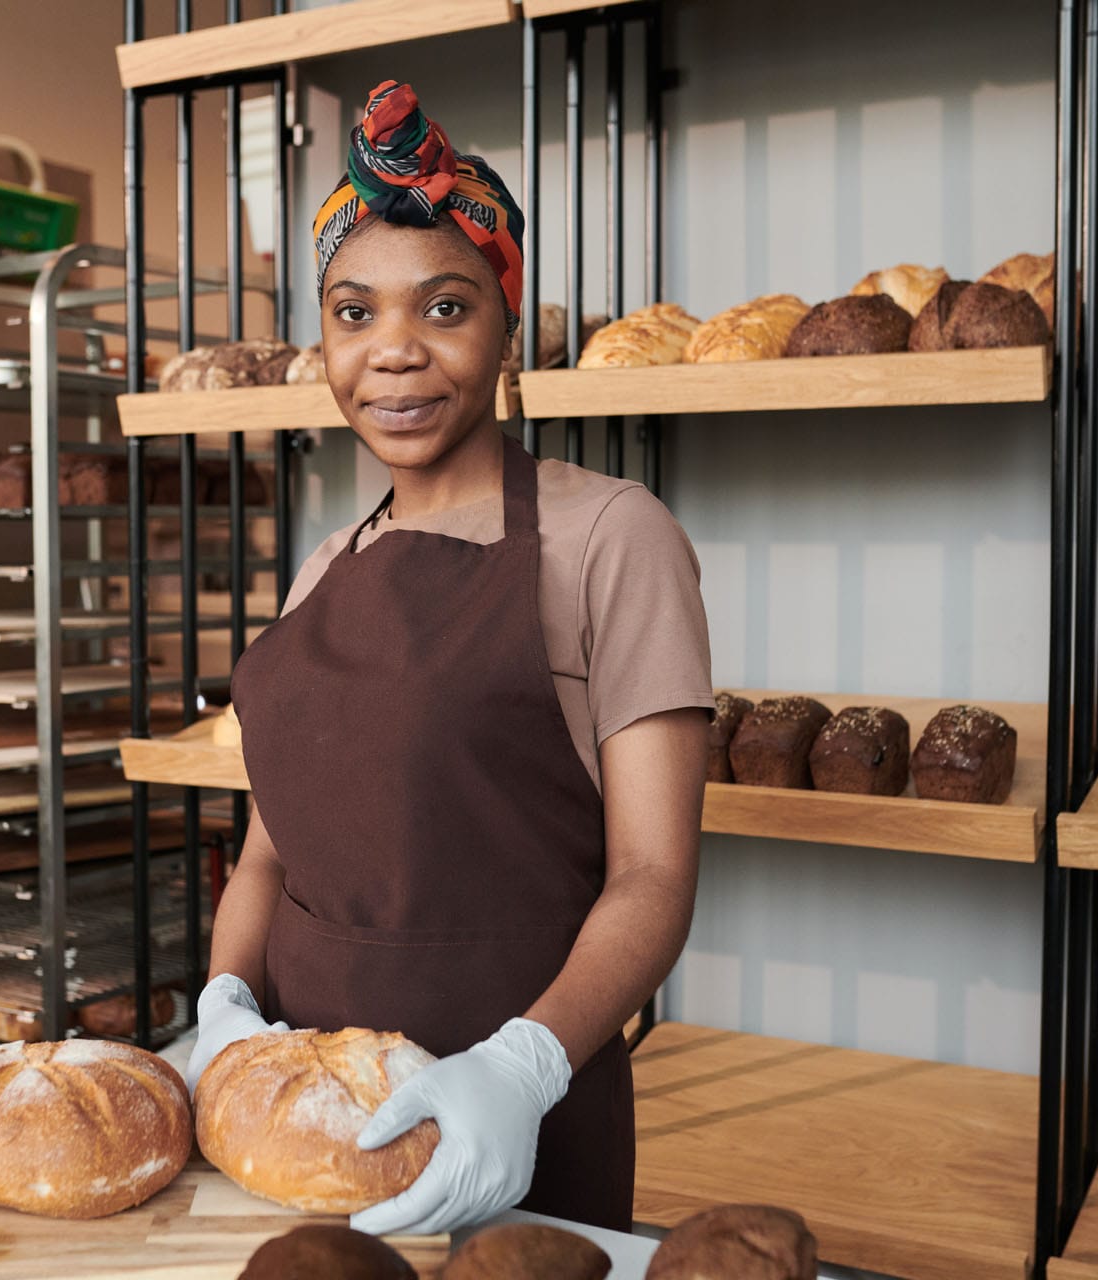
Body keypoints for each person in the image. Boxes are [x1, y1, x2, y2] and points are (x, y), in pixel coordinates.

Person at [186, 80, 713, 1236]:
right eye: (354, 312)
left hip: (514, 1122)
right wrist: (225, 1003)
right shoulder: (329, 562)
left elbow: (654, 879)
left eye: (445, 306)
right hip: (306, 1126)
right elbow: (272, 854)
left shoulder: (613, 536)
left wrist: (523, 1065)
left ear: (507, 326)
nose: (395, 354)